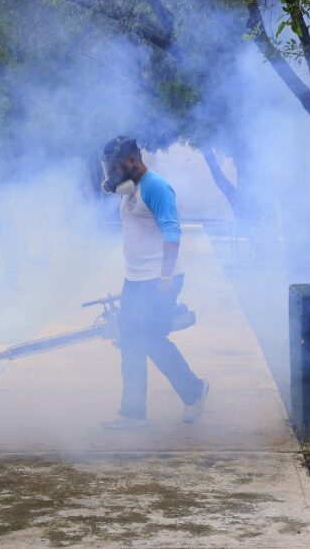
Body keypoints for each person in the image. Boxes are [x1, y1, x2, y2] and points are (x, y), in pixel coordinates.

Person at [98, 136, 208, 429]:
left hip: (159, 279)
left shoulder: (156, 187)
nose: (112, 174)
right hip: (135, 279)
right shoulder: (130, 188)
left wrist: (165, 277)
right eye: (109, 168)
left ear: (133, 160)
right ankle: (133, 413)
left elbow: (172, 233)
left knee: (151, 340)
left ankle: (194, 390)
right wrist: (110, 185)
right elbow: (126, 201)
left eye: (116, 167)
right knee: (130, 341)